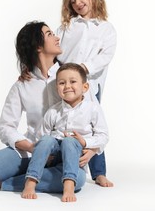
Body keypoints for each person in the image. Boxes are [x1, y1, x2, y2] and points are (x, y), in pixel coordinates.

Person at [0, 21, 93, 193]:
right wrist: (31, 147)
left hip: (66, 154)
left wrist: (92, 150)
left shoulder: (71, 76)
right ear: (38, 46)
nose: (57, 37)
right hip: (31, 152)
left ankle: (5, 183)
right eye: (50, 34)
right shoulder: (22, 85)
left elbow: (94, 117)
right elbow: (5, 126)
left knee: (79, 179)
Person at [55, 0, 117, 187]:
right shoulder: (67, 26)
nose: (77, 3)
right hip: (66, 83)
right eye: (72, 1)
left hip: (90, 85)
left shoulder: (106, 29)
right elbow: (57, 51)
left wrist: (84, 68)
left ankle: (98, 172)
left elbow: (105, 56)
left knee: (93, 125)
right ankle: (62, 164)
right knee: (62, 120)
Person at [21, 63, 109, 202]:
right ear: (57, 89)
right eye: (62, 83)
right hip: (55, 154)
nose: (67, 86)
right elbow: (40, 136)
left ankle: (69, 185)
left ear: (85, 87)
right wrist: (44, 152)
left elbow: (103, 135)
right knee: (46, 139)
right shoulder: (53, 111)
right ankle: (31, 181)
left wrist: (86, 142)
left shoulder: (92, 109)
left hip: (76, 153)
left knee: (69, 141)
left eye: (73, 82)